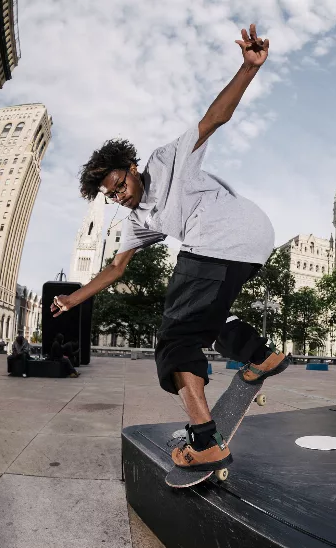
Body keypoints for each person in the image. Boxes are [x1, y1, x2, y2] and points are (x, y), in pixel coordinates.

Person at [50, 24, 287, 470]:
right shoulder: (137, 222)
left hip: (226, 231)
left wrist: (247, 68)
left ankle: (205, 441)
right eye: (112, 195)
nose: (120, 195)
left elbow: (213, 119)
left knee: (176, 334)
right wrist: (72, 298)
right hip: (250, 244)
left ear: (133, 168)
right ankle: (261, 353)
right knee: (205, 314)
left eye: (121, 184)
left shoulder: (165, 158)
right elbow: (115, 268)